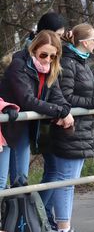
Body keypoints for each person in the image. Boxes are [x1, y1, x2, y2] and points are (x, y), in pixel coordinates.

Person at [40, 24, 94, 232]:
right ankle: (63, 230)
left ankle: (50, 223)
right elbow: (66, 98)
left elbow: (83, 94)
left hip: (80, 131)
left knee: (65, 181)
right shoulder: (67, 62)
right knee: (66, 182)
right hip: (69, 131)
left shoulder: (80, 62)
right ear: (84, 42)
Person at [0, 31, 73, 190]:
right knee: (1, 181)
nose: (47, 59)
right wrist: (60, 111)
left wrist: (65, 110)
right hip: (4, 126)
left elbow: (58, 97)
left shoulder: (50, 70)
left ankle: (18, 215)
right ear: (34, 50)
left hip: (23, 128)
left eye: (52, 56)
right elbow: (27, 100)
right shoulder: (18, 65)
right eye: (43, 54)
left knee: (21, 179)